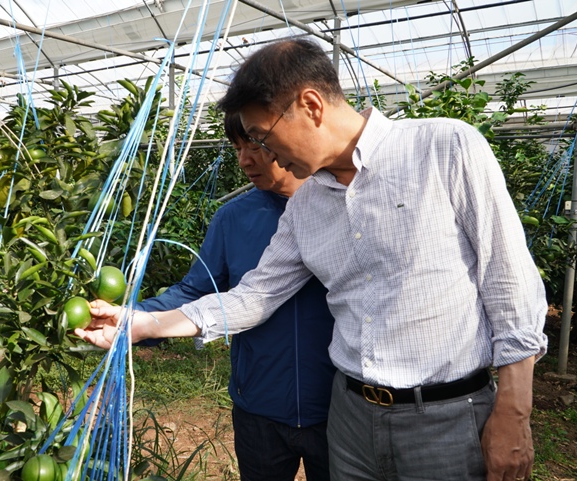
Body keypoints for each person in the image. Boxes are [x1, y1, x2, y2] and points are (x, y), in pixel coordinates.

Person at [77, 38, 548, 481]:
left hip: (445, 416)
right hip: (350, 418)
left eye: (261, 136)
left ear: (311, 105)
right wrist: (143, 324)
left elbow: (508, 280)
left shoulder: (444, 148)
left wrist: (514, 410)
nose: (260, 153)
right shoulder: (306, 205)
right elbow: (255, 295)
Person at [130, 113, 336, 481]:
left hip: (336, 408)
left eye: (253, 145)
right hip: (259, 404)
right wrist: (136, 317)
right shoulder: (233, 218)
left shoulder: (340, 207)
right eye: (237, 148)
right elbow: (196, 289)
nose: (244, 160)